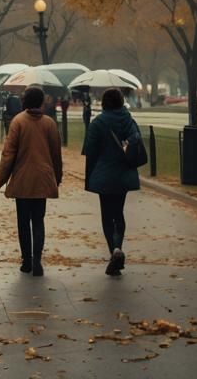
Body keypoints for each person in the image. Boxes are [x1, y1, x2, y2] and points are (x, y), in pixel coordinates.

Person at [0, 86, 63, 277]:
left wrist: (2, 178)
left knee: (23, 221)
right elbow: (56, 154)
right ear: (41, 101)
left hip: (23, 178)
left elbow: (9, 153)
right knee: (39, 220)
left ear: (24, 101)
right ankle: (37, 259)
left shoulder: (18, 122)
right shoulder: (49, 124)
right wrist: (57, 176)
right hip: (43, 177)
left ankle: (26, 260)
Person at [82, 88, 142, 276]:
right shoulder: (129, 120)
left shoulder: (98, 123)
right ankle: (118, 245)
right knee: (119, 213)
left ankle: (114, 250)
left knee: (107, 216)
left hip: (104, 174)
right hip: (124, 173)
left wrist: (90, 177)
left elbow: (90, 152)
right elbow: (136, 141)